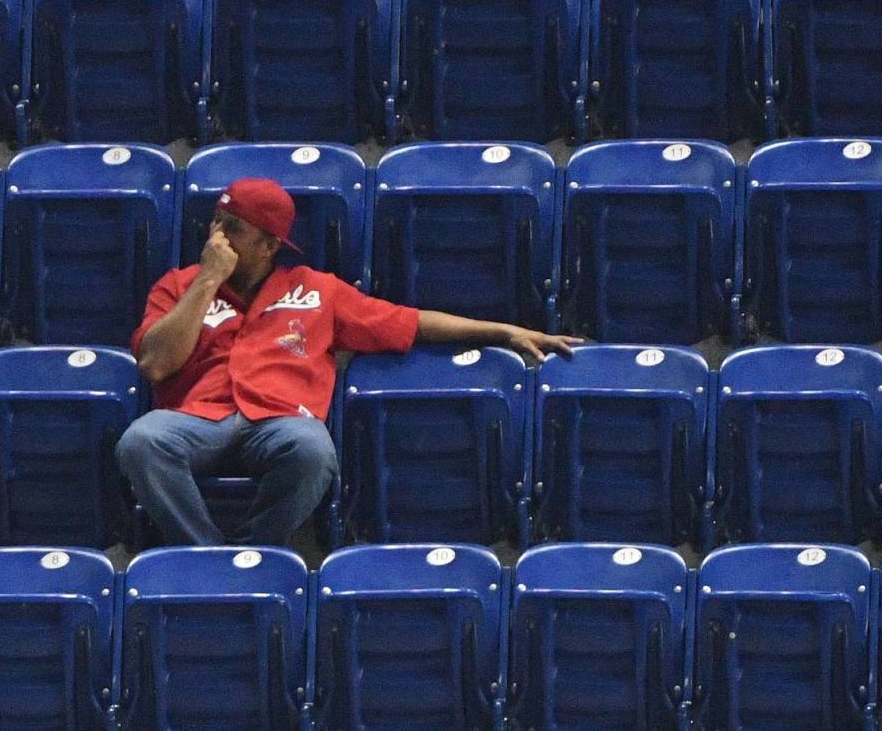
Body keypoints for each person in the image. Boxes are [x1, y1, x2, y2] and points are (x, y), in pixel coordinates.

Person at [117, 177, 579, 546]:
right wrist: (207, 283)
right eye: (215, 224)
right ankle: (208, 557)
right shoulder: (179, 285)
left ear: (269, 246)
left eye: (232, 229)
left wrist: (503, 330)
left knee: (314, 451)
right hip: (200, 419)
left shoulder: (317, 290)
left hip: (278, 419)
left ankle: (254, 550)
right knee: (141, 441)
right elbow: (155, 364)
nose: (216, 238)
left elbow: (410, 322)